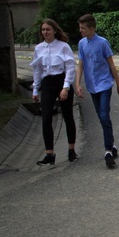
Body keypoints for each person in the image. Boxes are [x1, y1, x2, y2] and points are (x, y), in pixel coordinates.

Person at [74, 14, 119, 168]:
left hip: (104, 84)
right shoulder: (82, 44)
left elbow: (112, 65)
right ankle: (112, 144)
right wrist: (77, 84)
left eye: (83, 28)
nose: (80, 30)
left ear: (91, 28)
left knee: (104, 115)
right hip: (92, 86)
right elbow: (81, 65)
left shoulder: (103, 43)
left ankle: (108, 151)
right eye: (80, 27)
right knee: (102, 117)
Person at [30, 19, 77, 165]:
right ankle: (49, 153)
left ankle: (71, 150)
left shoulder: (63, 47)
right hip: (47, 84)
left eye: (48, 29)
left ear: (55, 31)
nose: (45, 32)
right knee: (46, 118)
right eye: (43, 30)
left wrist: (66, 87)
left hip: (61, 81)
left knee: (68, 116)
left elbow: (70, 67)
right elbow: (37, 70)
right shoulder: (39, 48)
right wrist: (36, 89)